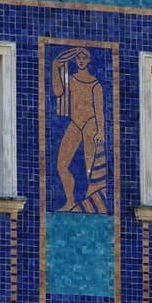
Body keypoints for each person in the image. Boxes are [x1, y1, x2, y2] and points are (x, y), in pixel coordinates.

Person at [52, 47, 107, 213]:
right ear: (75, 60)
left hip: (90, 124)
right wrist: (55, 68)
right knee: (61, 165)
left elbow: (99, 109)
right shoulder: (72, 79)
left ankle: (93, 205)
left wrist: (101, 131)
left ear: (89, 60)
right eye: (78, 58)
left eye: (85, 58)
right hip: (75, 123)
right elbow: (58, 92)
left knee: (90, 167)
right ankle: (70, 201)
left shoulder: (95, 84)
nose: (81, 60)